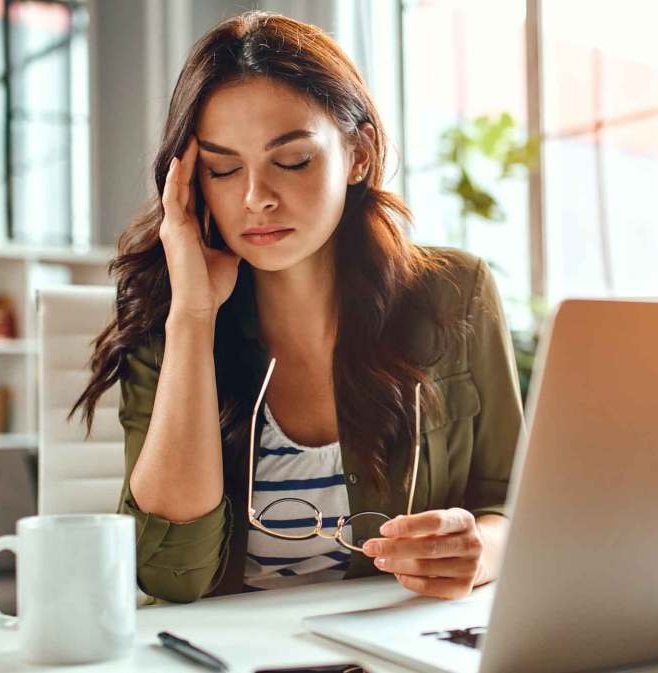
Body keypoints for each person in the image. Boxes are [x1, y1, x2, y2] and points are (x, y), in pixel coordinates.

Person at [71, 11, 523, 604]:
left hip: (390, 653)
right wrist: (192, 318)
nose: (256, 197)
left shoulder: (454, 293)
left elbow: (515, 504)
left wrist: (479, 550)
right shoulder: (170, 316)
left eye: (292, 160)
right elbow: (171, 573)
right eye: (223, 169)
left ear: (357, 154)